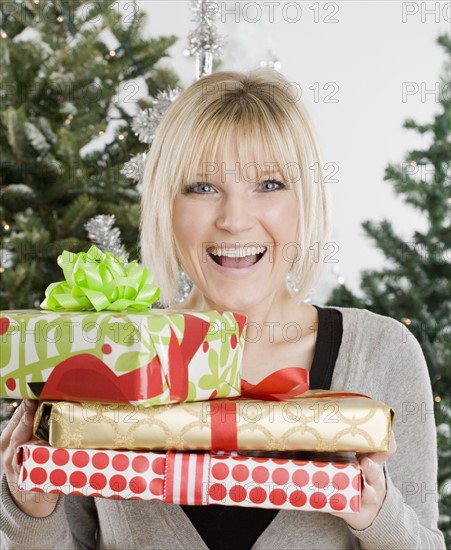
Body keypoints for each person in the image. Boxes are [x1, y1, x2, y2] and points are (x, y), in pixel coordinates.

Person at [0, 69, 446, 550]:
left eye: (270, 184)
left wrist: (378, 515)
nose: (234, 220)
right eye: (202, 187)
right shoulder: (111, 351)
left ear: (307, 201)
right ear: (165, 204)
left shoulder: (383, 352)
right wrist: (29, 511)